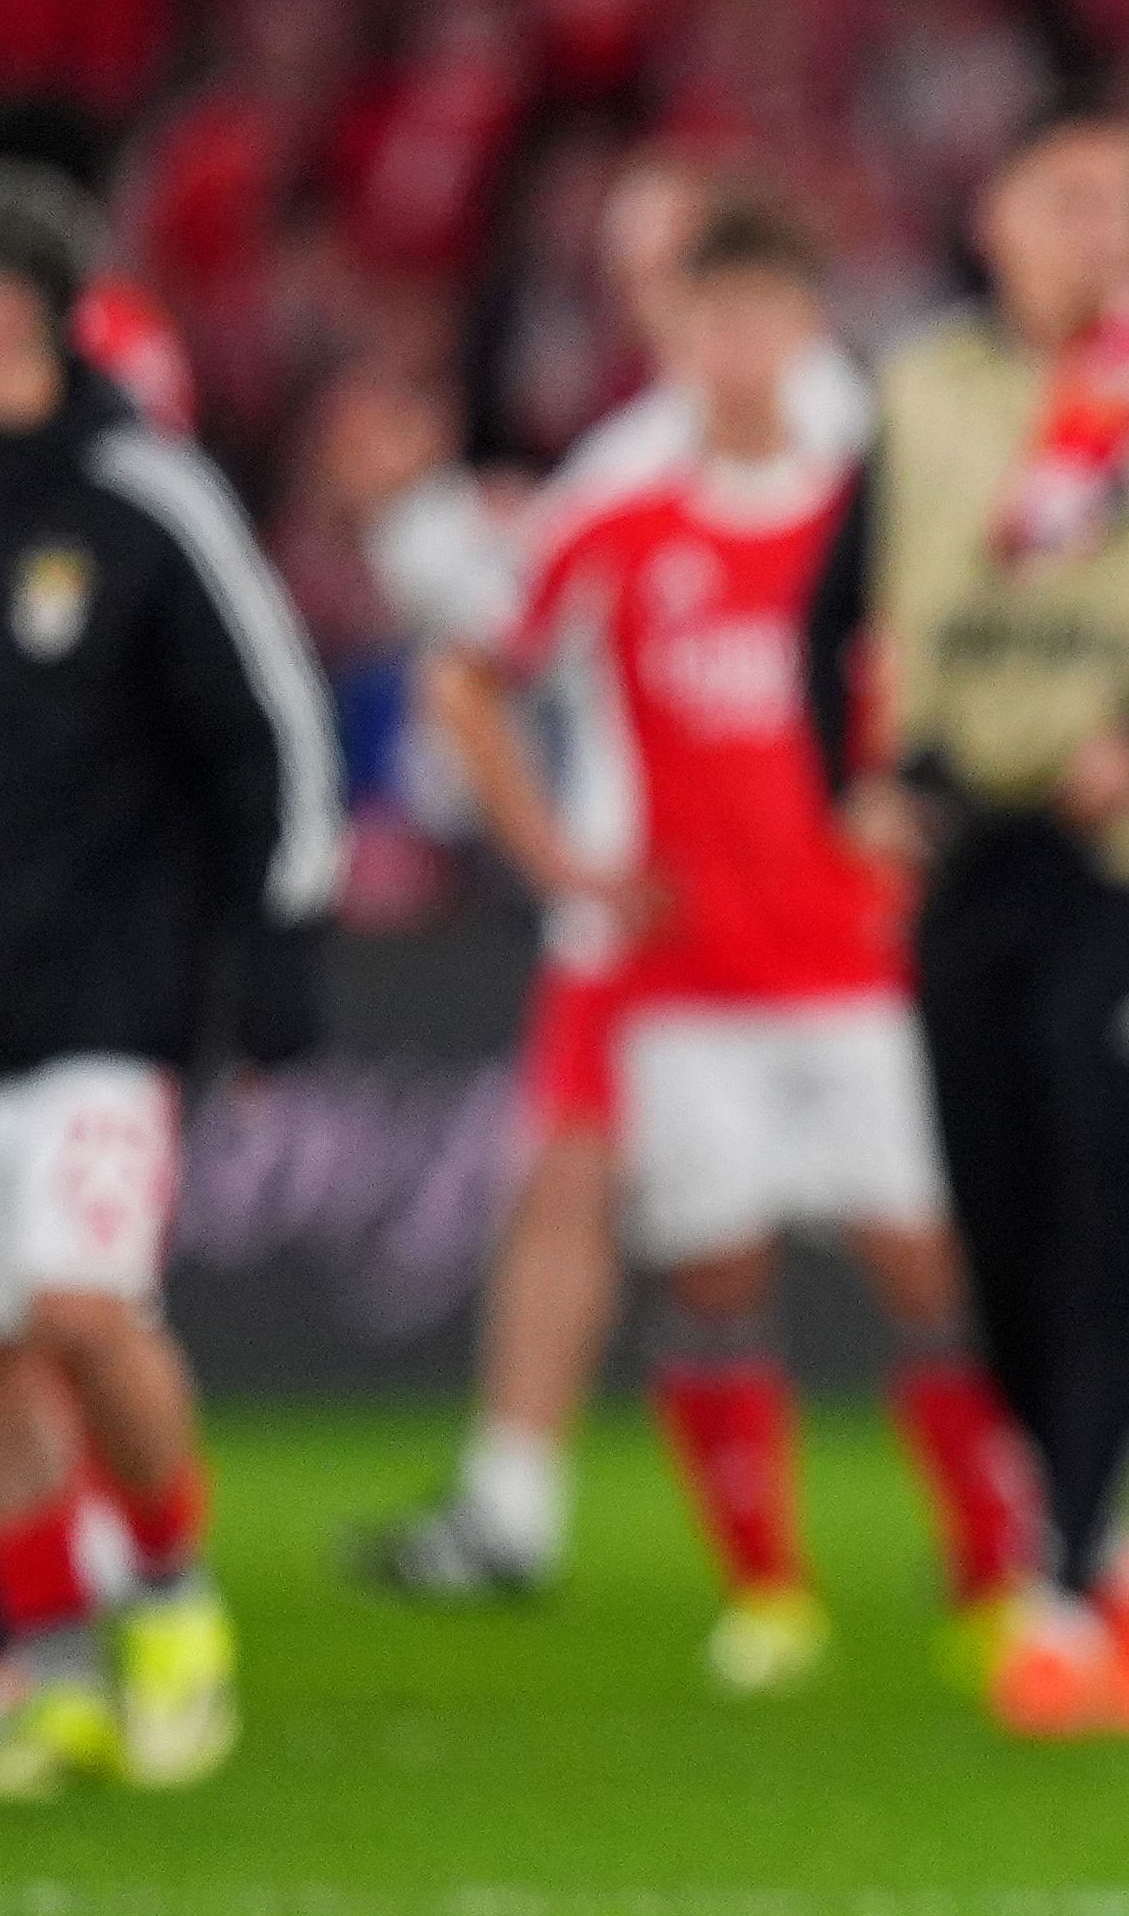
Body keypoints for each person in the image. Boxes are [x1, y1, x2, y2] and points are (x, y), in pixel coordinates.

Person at [426, 195, 1036, 1698]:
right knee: (713, 1273)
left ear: (809, 328)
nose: (737, 348)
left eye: (763, 316)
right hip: (687, 979)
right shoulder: (619, 520)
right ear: (670, 335)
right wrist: (561, 859)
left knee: (925, 1260)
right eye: (708, 319)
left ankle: (988, 1553)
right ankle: (768, 1588)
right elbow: (469, 677)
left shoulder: (870, 508)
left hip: (859, 968)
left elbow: (971, 668)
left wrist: (930, 819)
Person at [0, 163, 342, 1800]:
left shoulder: (141, 497)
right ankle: (43, 1660)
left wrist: (278, 964)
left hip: (104, 1006)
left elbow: (271, 736)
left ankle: (172, 1595)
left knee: (79, 1305)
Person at [804, 111, 1129, 1737]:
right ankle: (1097, 1542)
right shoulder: (923, 386)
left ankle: (1068, 1581)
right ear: (992, 212)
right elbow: (833, 597)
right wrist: (845, 779)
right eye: (1071, 197)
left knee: (1110, 1217)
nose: (1108, 227)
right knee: (995, 1227)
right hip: (968, 850)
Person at [348, 153, 874, 1600]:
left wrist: (413, 525)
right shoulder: (653, 447)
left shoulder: (782, 431)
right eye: (632, 270)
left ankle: (1026, 1514)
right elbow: (507, 635)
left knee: (899, 1227)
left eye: (669, 262)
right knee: (572, 1185)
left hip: (783, 896)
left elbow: (496, 621)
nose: (645, 295)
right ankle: (519, 1501)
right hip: (652, 894)